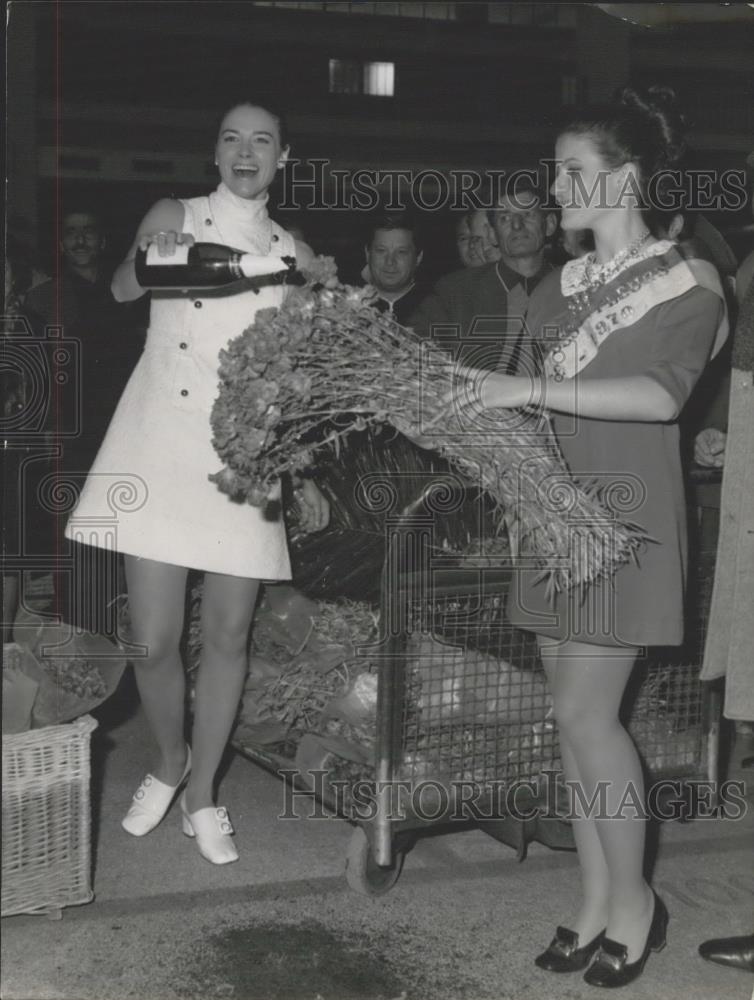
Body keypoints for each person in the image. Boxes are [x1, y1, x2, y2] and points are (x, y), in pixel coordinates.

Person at [441, 88, 728, 986]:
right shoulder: (562, 287)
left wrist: (526, 394)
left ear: (626, 179)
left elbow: (659, 399)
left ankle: (638, 902)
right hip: (552, 515)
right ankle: (596, 900)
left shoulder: (690, 279)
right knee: (568, 729)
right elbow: (524, 395)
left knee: (585, 715)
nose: (555, 188)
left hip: (623, 523)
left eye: (573, 172)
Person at [64, 101, 330, 865]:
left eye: (263, 141)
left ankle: (206, 793)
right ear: (214, 152)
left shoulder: (295, 251)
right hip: (158, 441)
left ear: (285, 157)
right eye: (231, 138)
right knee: (149, 639)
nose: (246, 152)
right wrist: (155, 252)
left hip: (243, 458)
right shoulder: (174, 211)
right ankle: (168, 762)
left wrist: (298, 455)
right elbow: (119, 289)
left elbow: (302, 374)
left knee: (226, 635)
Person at [26, 208, 146, 635]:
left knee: (119, 542)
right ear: (60, 244)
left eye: (88, 232)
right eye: (70, 233)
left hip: (124, 433)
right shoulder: (43, 300)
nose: (79, 240)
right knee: (73, 543)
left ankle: (115, 641)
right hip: (70, 437)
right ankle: (75, 642)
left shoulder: (128, 294)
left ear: (102, 241)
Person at [408, 177, 557, 373]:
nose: (517, 225)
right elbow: (412, 353)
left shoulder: (574, 288)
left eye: (528, 214)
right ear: (493, 234)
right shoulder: (455, 292)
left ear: (550, 224)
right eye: (505, 218)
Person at [361, 211, 427, 325]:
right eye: (381, 251)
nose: (390, 262)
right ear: (367, 254)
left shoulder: (437, 307)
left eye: (401, 252)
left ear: (418, 258)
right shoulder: (348, 306)